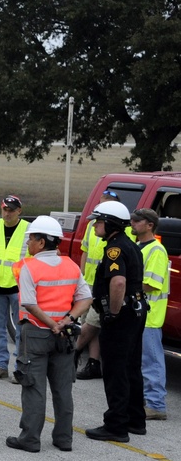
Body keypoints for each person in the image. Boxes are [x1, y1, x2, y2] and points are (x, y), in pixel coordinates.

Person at [5, 216, 92, 453]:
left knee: (33, 388)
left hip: (36, 334)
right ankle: (64, 439)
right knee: (63, 390)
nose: (28, 243)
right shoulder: (71, 265)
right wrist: (67, 320)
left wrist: (52, 324)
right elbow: (85, 297)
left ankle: (30, 439)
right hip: (65, 336)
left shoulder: (29, 267)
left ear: (42, 242)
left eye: (31, 238)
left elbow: (30, 304)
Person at [85, 200, 147, 443]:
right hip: (135, 313)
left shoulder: (114, 249)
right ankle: (135, 420)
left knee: (115, 370)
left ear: (110, 223)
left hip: (121, 317)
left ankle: (116, 426)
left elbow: (118, 282)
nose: (94, 226)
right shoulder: (130, 245)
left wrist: (112, 312)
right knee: (131, 366)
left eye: (98, 222)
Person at [75, 190, 122, 379]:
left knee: (91, 324)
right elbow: (84, 251)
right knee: (89, 323)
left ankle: (69, 353)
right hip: (89, 283)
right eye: (99, 203)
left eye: (104, 204)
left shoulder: (118, 232)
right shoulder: (92, 226)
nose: (99, 207)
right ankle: (94, 363)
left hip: (105, 286)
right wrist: (81, 279)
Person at [0, 195, 29, 381]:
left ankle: (20, 368)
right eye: (5, 209)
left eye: (11, 210)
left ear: (19, 211)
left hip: (19, 287)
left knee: (22, 331)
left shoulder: (28, 230)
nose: (7, 213)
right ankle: (0, 365)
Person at [131, 208, 169, 421]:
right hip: (139, 313)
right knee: (141, 359)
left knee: (151, 361)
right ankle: (148, 401)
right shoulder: (140, 247)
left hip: (150, 314)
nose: (133, 223)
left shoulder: (157, 251)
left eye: (137, 221)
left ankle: (156, 405)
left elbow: (151, 284)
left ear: (150, 225)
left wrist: (126, 287)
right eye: (132, 220)